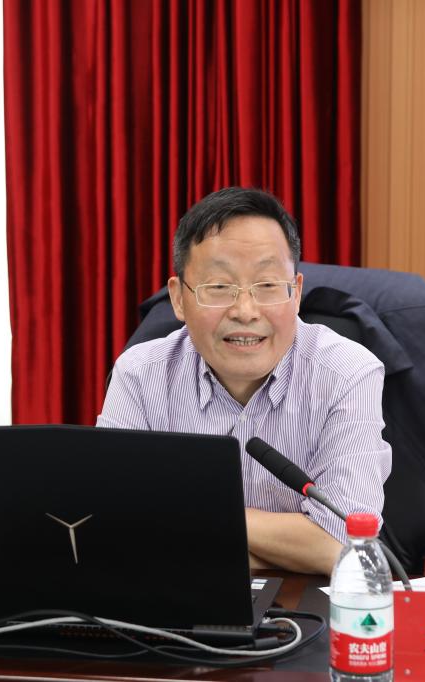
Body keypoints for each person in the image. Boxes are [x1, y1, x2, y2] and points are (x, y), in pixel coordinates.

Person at [97, 187, 391, 575]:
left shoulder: (347, 373)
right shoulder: (139, 374)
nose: (245, 311)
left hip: (307, 602)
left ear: (296, 293)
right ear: (179, 298)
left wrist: (187, 515)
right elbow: (113, 526)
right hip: (179, 598)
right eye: (219, 287)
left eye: (267, 286)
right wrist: (279, 545)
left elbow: (342, 544)